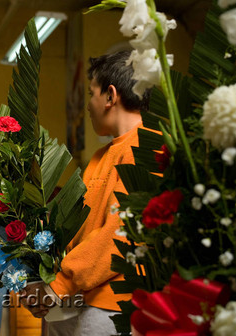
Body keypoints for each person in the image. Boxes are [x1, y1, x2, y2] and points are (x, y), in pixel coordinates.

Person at [21, 50, 152, 335]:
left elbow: (119, 235)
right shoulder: (100, 156)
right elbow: (78, 231)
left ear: (110, 96)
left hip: (114, 302)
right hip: (80, 295)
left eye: (91, 94)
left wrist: (59, 285)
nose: (88, 107)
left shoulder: (146, 150)